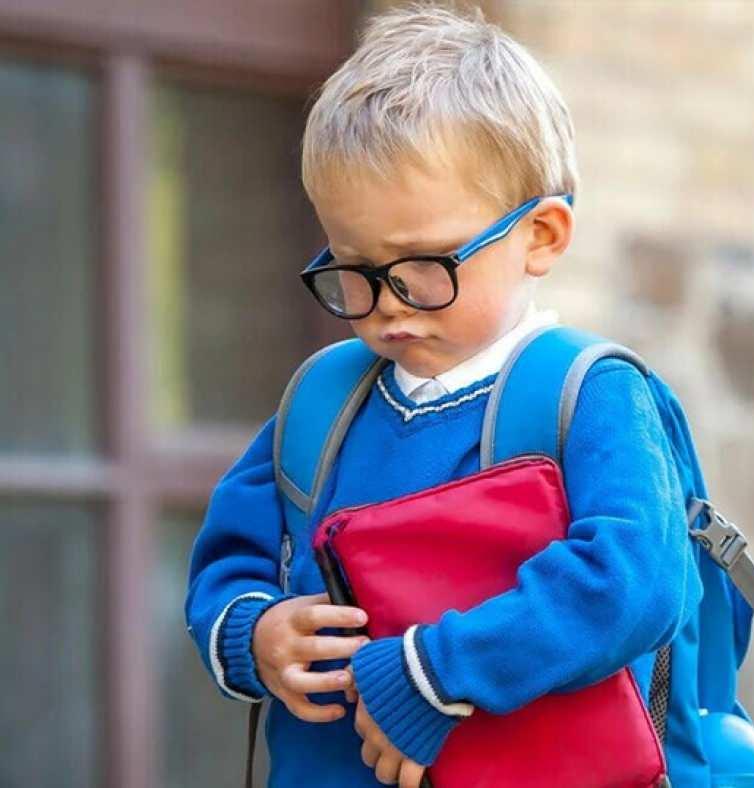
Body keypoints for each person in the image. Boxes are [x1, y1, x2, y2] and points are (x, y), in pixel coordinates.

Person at [184, 3, 708, 786]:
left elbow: (632, 585)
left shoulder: (585, 396)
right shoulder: (323, 405)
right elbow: (232, 559)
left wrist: (436, 671)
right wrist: (254, 635)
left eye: (424, 265)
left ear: (542, 236)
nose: (388, 302)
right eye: (354, 269)